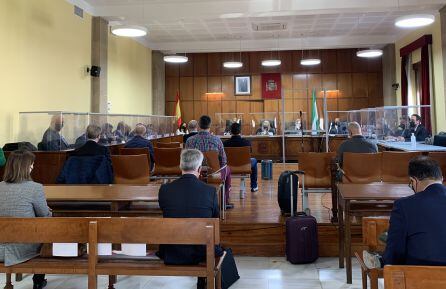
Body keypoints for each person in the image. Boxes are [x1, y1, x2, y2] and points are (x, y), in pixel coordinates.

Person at [363, 156, 446, 268]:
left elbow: (396, 250)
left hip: (420, 276)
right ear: (441, 178)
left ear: (413, 181)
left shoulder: (404, 205)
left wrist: (385, 261)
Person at [157, 149, 223, 289]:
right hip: (201, 252)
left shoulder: (165, 190)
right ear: (199, 169)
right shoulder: (210, 191)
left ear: (181, 166)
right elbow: (215, 220)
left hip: (172, 251)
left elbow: (167, 212)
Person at [0, 150, 51, 289]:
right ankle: (38, 280)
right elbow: (44, 216)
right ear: (25, 167)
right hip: (22, 248)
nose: (32, 167)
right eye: (31, 165)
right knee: (47, 231)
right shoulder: (35, 188)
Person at [185, 115, 233, 209]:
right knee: (227, 169)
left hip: (196, 175)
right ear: (210, 125)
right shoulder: (217, 140)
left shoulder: (189, 141)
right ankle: (224, 202)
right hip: (214, 174)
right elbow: (224, 161)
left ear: (198, 125)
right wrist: (216, 169)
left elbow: (186, 160)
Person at [223, 123, 258, 192]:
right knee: (254, 160)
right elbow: (250, 154)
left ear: (230, 131)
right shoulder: (247, 142)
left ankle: (227, 185)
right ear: (240, 131)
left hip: (229, 166)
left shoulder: (225, 143)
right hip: (244, 165)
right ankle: (254, 186)